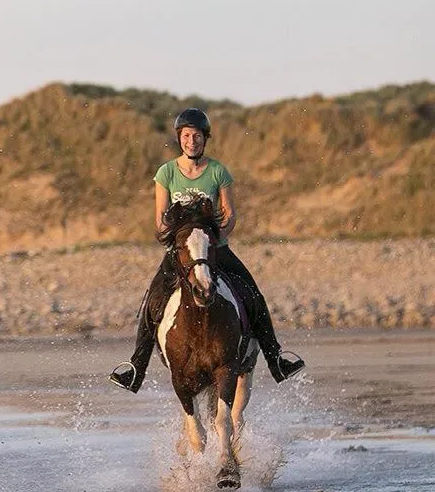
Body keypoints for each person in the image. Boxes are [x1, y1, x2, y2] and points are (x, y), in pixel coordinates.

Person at [109, 107, 304, 393]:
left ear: (205, 139)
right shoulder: (166, 173)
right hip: (181, 252)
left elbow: (230, 214)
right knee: (153, 300)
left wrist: (213, 240)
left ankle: (276, 360)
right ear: (180, 138)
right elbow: (160, 217)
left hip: (216, 249)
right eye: (187, 136)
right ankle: (136, 367)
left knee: (253, 295)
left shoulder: (218, 172)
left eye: (197, 136)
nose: (192, 141)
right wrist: (175, 238)